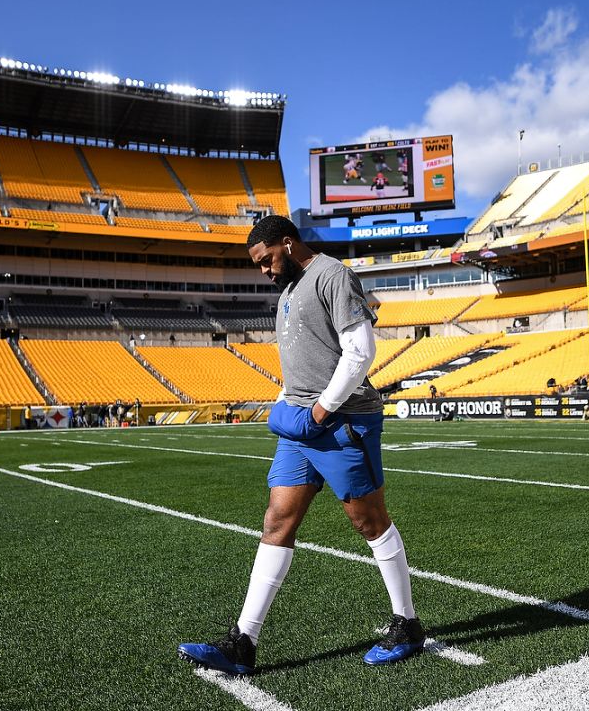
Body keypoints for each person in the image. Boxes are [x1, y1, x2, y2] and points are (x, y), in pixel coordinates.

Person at [178, 215, 422, 675]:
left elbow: (360, 350)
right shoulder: (287, 291)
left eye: (267, 259)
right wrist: (286, 408)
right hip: (302, 425)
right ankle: (243, 642)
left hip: (342, 420)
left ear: (287, 244)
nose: (265, 271)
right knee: (277, 521)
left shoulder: (332, 275)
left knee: (369, 523)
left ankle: (407, 625)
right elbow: (300, 366)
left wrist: (321, 411)